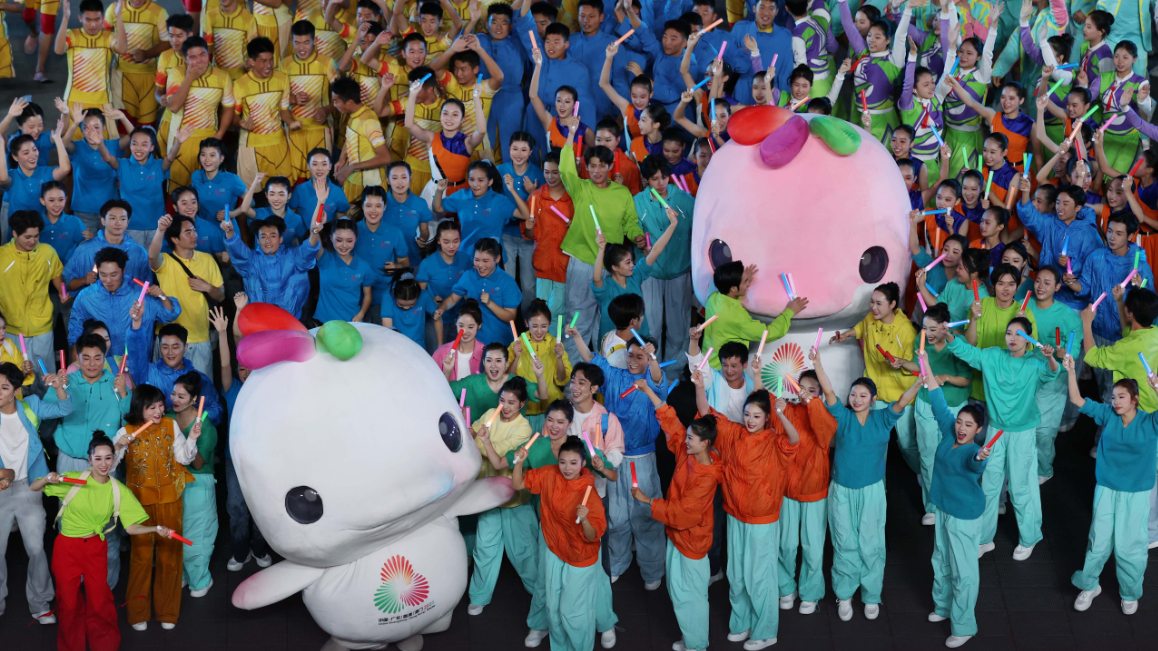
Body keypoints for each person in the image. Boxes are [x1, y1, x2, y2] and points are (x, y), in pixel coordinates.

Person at [30, 432, 172, 651]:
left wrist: (155, 528)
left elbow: (131, 527)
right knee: (68, 602)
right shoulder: (73, 480)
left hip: (95, 547)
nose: (103, 463)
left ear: (114, 458)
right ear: (89, 459)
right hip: (67, 547)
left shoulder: (119, 491)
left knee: (100, 601)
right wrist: (47, 478)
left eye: (108, 458)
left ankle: (105, 645)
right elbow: (35, 487)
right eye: (98, 458)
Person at [691, 369, 800, 649]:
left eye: (757, 416)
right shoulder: (732, 433)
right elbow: (705, 412)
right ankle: (741, 623)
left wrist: (782, 414)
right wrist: (700, 386)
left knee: (759, 577)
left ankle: (765, 632)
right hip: (735, 515)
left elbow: (795, 440)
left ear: (767, 419)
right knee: (737, 575)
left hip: (762, 520)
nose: (750, 420)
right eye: (748, 414)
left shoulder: (775, 442)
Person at [813, 344, 922, 621]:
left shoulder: (883, 419)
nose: (857, 399)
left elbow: (902, 401)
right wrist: (817, 364)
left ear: (873, 399)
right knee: (844, 541)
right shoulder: (842, 416)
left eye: (863, 395)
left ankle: (872, 595)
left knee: (871, 543)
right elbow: (828, 392)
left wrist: (919, 383)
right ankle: (844, 594)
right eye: (853, 394)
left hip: (872, 491)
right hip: (841, 490)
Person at [945, 316, 1060, 559]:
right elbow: (967, 352)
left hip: (1022, 432)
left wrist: (1050, 357)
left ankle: (1029, 538)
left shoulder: (1034, 363)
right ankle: (984, 539)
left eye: (1019, 334)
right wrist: (948, 336)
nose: (1012, 338)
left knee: (1020, 487)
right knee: (988, 486)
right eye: (1009, 333)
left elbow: (1052, 373)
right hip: (995, 431)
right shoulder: (993, 356)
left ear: (1029, 340)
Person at [568, 323, 667, 590]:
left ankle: (652, 569)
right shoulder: (614, 376)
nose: (633, 360)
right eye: (630, 355)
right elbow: (591, 359)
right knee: (617, 516)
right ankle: (618, 562)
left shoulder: (654, 383)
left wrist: (653, 359)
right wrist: (577, 336)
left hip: (643, 459)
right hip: (614, 457)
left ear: (650, 358)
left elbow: (658, 377)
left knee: (646, 515)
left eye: (640, 356)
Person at [1065, 355, 1157, 616]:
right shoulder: (1108, 415)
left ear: (1135, 399)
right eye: (1114, 396)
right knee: (1098, 541)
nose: (1115, 401)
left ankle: (1129, 593)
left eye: (1121, 397)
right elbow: (1077, 400)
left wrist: (1157, 387)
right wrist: (1071, 371)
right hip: (1106, 488)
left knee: (1130, 546)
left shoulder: (1150, 422)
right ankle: (1089, 585)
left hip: (1136, 493)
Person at [636, 382, 723, 651]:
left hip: (691, 542)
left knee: (690, 597)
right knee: (680, 593)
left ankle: (697, 645)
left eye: (691, 438)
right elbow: (671, 424)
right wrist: (648, 392)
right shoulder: (690, 454)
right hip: (678, 537)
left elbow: (683, 514)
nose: (685, 440)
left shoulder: (706, 477)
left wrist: (648, 501)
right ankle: (693, 637)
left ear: (704, 443)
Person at [112, 383, 199, 631]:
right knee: (140, 557)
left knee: (170, 556)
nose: (159, 411)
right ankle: (138, 612)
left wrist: (192, 438)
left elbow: (183, 458)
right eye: (152, 407)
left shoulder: (171, 425)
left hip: (171, 499)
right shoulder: (125, 431)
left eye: (161, 405)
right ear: (139, 408)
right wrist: (118, 446)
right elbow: (110, 464)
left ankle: (168, 612)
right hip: (139, 503)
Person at [47, 332, 131, 586]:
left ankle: (105, 585)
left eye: (97, 357)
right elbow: (47, 412)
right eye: (86, 358)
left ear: (105, 357)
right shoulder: (66, 381)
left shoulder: (116, 383)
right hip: (70, 459)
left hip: (104, 463)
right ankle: (74, 583)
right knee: (68, 519)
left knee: (107, 523)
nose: (92, 363)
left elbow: (131, 419)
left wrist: (124, 393)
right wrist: (57, 388)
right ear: (77, 357)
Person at [558, 120, 644, 363]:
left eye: (601, 166)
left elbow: (630, 222)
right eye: (592, 166)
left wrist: (637, 235)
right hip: (583, 262)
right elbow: (565, 169)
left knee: (608, 322)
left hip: (611, 267)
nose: (596, 170)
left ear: (610, 166)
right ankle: (574, 376)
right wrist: (571, 135)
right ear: (586, 167)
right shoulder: (580, 188)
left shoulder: (622, 193)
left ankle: (605, 374)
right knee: (577, 319)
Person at [511, 436, 608, 651]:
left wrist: (585, 520)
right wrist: (519, 462)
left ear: (583, 463)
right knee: (552, 607)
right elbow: (518, 484)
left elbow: (592, 536)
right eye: (563, 462)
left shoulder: (589, 494)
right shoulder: (549, 473)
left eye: (573, 463)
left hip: (580, 556)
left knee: (572, 613)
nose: (567, 468)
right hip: (555, 548)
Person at [922, 366, 990, 649]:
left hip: (964, 515)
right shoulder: (950, 433)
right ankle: (943, 606)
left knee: (964, 571)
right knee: (940, 560)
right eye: (960, 421)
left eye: (969, 425)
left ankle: (964, 626)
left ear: (979, 430)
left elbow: (975, 463)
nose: (962, 428)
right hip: (943, 508)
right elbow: (937, 399)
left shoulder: (973, 451)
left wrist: (980, 457)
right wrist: (925, 364)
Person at [0, 361, 71, 626]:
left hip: (30, 488)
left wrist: (59, 387)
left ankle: (40, 603)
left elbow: (65, 408)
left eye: (4, 387)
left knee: (37, 549)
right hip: (0, 490)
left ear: (16, 390)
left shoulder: (30, 406)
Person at [892, 303, 973, 522]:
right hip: (926, 402)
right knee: (928, 455)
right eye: (924, 328)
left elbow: (965, 379)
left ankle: (953, 499)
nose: (927, 333)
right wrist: (902, 363)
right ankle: (932, 506)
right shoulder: (921, 340)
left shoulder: (958, 344)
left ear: (945, 327)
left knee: (953, 456)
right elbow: (918, 366)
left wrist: (946, 377)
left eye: (933, 329)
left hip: (953, 405)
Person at [831, 282, 919, 476]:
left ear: (893, 304)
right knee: (875, 442)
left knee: (906, 444)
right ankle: (877, 482)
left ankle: (922, 474)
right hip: (876, 393)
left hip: (901, 395)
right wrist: (846, 335)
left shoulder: (906, 330)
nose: (873, 307)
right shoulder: (871, 318)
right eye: (872, 302)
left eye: (879, 303)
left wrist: (901, 363)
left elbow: (917, 364)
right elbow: (861, 328)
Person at [466, 377, 537, 615]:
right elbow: (471, 437)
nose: (505, 406)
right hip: (488, 494)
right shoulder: (489, 413)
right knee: (484, 547)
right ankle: (479, 596)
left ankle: (539, 591)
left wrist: (483, 442)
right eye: (502, 400)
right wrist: (475, 437)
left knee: (523, 551)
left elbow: (498, 458)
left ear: (522, 404)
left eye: (511, 402)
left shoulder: (524, 429)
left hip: (514, 499)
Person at [210, 303, 271, 572]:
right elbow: (225, 363)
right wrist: (222, 333)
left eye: (249, 368)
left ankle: (260, 548)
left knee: (261, 506)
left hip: (261, 459)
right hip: (233, 458)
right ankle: (240, 551)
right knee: (236, 506)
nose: (244, 373)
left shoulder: (267, 389)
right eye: (241, 369)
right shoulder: (232, 388)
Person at [777, 369, 838, 615]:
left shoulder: (826, 414)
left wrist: (812, 402)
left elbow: (824, 434)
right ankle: (785, 587)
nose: (805, 393)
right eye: (801, 388)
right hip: (788, 489)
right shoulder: (788, 409)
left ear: (820, 393)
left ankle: (810, 593)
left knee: (813, 547)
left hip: (814, 490)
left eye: (812, 390)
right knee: (786, 544)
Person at [69, 246, 181, 366]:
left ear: (123, 271)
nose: (108, 280)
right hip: (100, 367)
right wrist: (75, 370)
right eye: (103, 275)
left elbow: (169, 315)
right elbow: (76, 334)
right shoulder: (85, 297)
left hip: (136, 366)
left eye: (113, 275)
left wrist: (162, 296)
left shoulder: (142, 293)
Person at [635, 155, 694, 371]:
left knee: (678, 326)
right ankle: (652, 371)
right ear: (646, 180)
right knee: (651, 324)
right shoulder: (638, 201)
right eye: (654, 179)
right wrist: (638, 239)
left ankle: (674, 372)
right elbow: (631, 227)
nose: (661, 183)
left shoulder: (685, 200)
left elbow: (698, 231)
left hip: (679, 269)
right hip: (650, 272)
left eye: (664, 177)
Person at [1024, 266, 1083, 481]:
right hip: (1024, 376)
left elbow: (1074, 349)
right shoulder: (1023, 306)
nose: (1040, 286)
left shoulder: (1068, 316)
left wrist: (1064, 353)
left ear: (1058, 287)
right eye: (1038, 281)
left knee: (1043, 431)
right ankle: (1024, 466)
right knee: (1023, 427)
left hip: (1053, 382)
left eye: (1047, 283)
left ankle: (1044, 469)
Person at [148, 215, 225, 375]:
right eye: (188, 232)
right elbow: (152, 257)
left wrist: (207, 287)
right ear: (175, 239)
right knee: (165, 387)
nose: (194, 235)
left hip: (200, 336)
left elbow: (221, 296)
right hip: (169, 340)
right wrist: (160, 230)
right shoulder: (165, 261)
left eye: (194, 231)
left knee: (200, 386)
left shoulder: (207, 259)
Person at [591, 207, 678, 341]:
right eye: (627, 262)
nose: (632, 265)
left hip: (640, 342)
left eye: (631, 260)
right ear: (615, 267)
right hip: (614, 345)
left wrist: (673, 225)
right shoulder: (606, 287)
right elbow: (596, 277)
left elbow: (655, 251)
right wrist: (601, 250)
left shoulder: (635, 276)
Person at [224, 204, 324, 319]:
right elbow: (236, 248)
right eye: (263, 237)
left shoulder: (293, 256)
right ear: (257, 240)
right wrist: (229, 232)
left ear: (280, 239)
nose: (268, 241)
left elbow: (308, 250)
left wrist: (314, 233)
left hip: (290, 320)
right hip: (258, 320)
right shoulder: (251, 260)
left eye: (272, 236)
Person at [703, 260, 806, 368]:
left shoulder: (713, 298)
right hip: (724, 370)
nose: (748, 284)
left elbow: (730, 302)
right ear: (733, 288)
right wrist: (789, 312)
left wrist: (741, 280)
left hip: (707, 363)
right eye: (745, 282)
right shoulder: (737, 318)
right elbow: (768, 334)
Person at [97, 126, 189, 247]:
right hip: (130, 227)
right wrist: (100, 143)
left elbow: (170, 158)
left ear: (152, 147)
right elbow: (108, 158)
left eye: (144, 144)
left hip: (157, 227)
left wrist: (179, 142)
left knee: (156, 259)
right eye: (134, 144)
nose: (138, 148)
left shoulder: (158, 165)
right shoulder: (123, 165)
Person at [168, 372, 217, 598]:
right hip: (173, 483)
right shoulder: (167, 418)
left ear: (194, 399)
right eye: (173, 394)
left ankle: (201, 580)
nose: (175, 399)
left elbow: (197, 464)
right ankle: (185, 575)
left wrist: (192, 438)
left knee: (196, 537)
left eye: (181, 396)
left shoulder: (206, 426)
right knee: (175, 534)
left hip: (198, 484)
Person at [0, 210, 67, 371]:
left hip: (42, 328)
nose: (33, 241)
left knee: (46, 377)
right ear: (15, 233)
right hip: (11, 329)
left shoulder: (48, 252)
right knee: (16, 376)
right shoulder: (2, 256)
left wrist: (61, 291)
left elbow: (56, 274)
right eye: (28, 237)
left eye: (36, 236)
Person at [126, 316, 223, 426]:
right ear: (159, 347)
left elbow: (215, 410)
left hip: (188, 435)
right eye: (165, 347)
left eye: (175, 347)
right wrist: (136, 322)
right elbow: (136, 352)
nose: (170, 352)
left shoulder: (199, 379)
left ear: (185, 347)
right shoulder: (148, 372)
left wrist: (194, 419)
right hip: (151, 433)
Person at [164, 36, 235, 188]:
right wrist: (190, 77)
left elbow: (229, 108)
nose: (199, 60)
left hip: (210, 139)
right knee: (178, 187)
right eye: (193, 57)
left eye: (202, 54)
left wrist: (219, 135)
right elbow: (174, 107)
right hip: (182, 139)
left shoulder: (222, 76)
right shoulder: (177, 73)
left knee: (208, 187)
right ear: (185, 59)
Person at [233, 37, 298, 185]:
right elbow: (234, 117)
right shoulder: (240, 85)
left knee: (283, 188)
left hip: (278, 142)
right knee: (251, 192)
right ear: (251, 61)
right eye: (263, 61)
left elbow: (284, 110)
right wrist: (241, 123)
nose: (268, 65)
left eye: (271, 60)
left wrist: (292, 123)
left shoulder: (282, 79)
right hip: (251, 146)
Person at [279, 23, 338, 185]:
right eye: (297, 42)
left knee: (320, 178)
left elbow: (341, 97)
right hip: (294, 129)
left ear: (314, 41)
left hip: (321, 129)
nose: (301, 47)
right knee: (295, 179)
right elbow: (276, 98)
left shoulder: (327, 62)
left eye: (306, 42)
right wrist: (293, 99)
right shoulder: (285, 64)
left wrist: (327, 109)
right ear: (291, 41)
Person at [434, 237, 521, 347]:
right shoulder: (469, 276)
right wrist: (442, 308)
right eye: (477, 260)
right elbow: (453, 298)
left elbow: (511, 317)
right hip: (474, 342)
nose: (480, 265)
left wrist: (490, 303)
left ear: (497, 258)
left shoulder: (507, 282)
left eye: (485, 261)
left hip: (499, 343)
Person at [104, 0, 170, 128]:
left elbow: (168, 42)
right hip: (121, 76)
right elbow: (104, 36)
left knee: (147, 125)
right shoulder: (113, 9)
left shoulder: (159, 12)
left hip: (150, 76)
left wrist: (147, 54)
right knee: (124, 123)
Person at [521, 150, 572, 316]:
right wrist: (529, 228)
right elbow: (530, 235)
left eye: (555, 172)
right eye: (547, 172)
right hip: (543, 263)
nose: (550, 177)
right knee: (541, 313)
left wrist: (575, 226)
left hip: (565, 265)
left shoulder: (573, 198)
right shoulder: (535, 197)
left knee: (558, 312)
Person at [64, 199, 153, 294]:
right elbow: (66, 283)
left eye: (123, 219)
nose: (118, 223)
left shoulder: (138, 251)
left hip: (130, 303)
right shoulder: (85, 249)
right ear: (103, 221)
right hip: (93, 302)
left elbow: (147, 287)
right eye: (113, 218)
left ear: (128, 222)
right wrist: (84, 280)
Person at [508, 299, 571, 432]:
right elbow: (508, 379)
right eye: (534, 326)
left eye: (544, 326)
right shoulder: (517, 344)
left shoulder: (555, 344)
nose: (539, 331)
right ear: (527, 323)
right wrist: (517, 357)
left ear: (549, 324)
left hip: (550, 409)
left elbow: (562, 380)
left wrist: (559, 358)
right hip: (523, 409)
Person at [333, 75, 392, 200]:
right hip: (355, 180)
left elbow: (385, 157)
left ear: (349, 102)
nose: (334, 105)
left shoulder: (368, 121)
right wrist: (343, 158)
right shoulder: (353, 114)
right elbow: (350, 138)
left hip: (371, 185)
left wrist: (353, 167)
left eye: (336, 101)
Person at [0, 123, 71, 219]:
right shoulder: (13, 176)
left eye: (34, 150)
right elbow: (3, 179)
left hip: (42, 226)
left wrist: (57, 139)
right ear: (15, 157)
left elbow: (65, 169)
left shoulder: (46, 172)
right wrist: (1, 146)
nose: (32, 155)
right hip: (17, 227)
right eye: (26, 153)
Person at [434, 299, 485, 380]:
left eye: (470, 327)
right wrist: (447, 371)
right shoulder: (441, 352)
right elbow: (431, 382)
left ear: (479, 325)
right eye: (461, 326)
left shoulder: (485, 353)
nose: (464, 331)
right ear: (456, 323)